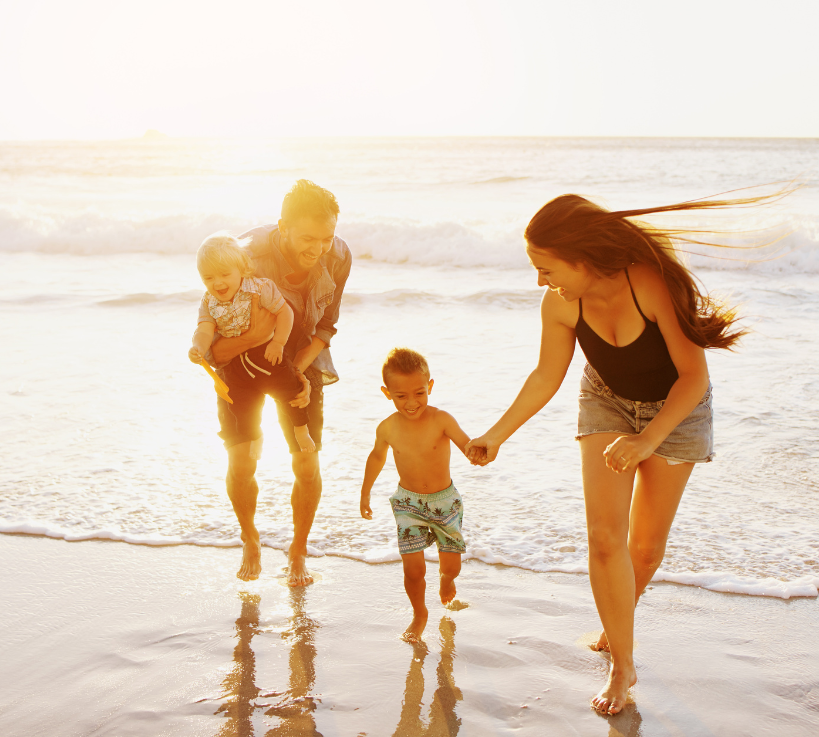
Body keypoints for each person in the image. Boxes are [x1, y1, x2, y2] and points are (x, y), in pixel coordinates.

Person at [466, 191, 774, 715]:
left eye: (545, 267)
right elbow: (546, 376)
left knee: (646, 550)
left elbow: (694, 377)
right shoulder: (562, 302)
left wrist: (647, 439)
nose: (541, 280)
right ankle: (623, 665)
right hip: (606, 401)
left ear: (580, 257)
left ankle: (617, 618)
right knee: (604, 538)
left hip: (677, 412)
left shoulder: (650, 283)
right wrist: (497, 434)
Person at [204, 179, 351, 587]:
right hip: (241, 366)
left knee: (306, 461)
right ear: (282, 226)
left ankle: (298, 548)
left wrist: (299, 370)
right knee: (243, 460)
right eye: (308, 237)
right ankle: (250, 538)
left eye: (326, 237)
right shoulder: (243, 255)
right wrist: (255, 339)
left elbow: (326, 324)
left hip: (300, 360)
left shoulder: (338, 256)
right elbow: (214, 350)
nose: (317, 248)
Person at [360, 348, 475, 643]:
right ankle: (419, 613)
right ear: (387, 393)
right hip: (408, 504)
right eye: (401, 396)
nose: (412, 403)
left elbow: (467, 445)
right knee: (413, 569)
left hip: (445, 503)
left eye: (419, 393)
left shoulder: (442, 419)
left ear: (430, 387)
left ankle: (446, 580)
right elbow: (376, 458)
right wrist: (365, 492)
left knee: (452, 566)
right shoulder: (387, 427)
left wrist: (480, 452)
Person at [188, 233, 315, 457]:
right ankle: (255, 435)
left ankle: (301, 429)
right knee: (239, 404)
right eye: (208, 278)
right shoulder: (208, 302)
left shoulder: (259, 289)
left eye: (225, 274)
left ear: (242, 269)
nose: (217, 283)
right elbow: (204, 329)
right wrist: (197, 347)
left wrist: (278, 342)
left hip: (265, 353)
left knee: (290, 389)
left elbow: (284, 312)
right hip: (234, 362)